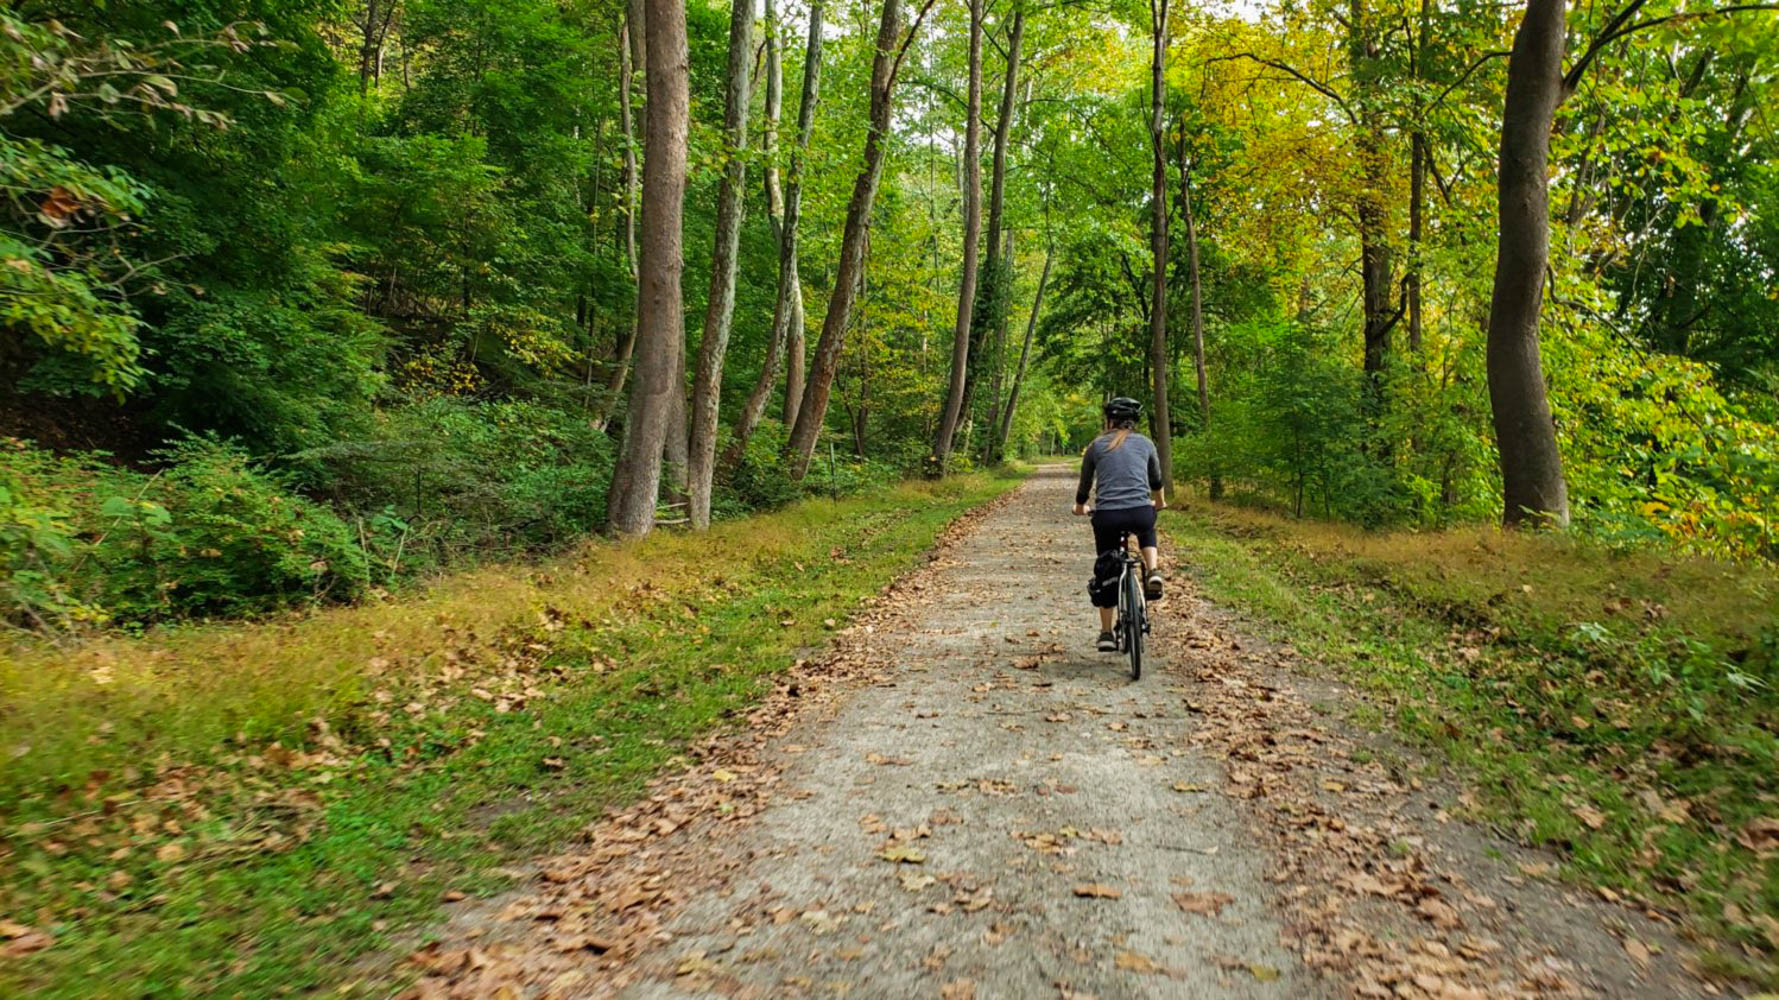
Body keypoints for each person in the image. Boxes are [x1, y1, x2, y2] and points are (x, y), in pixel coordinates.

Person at [1072, 396, 1165, 652]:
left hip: (1107, 516)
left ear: (1109, 420)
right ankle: (1154, 570)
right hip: (1139, 512)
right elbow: (1156, 481)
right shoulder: (1146, 443)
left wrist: (1080, 507)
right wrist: (1159, 503)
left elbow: (1085, 485)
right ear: (1134, 422)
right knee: (1147, 525)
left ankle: (1105, 633)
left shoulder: (1096, 446)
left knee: (1107, 568)